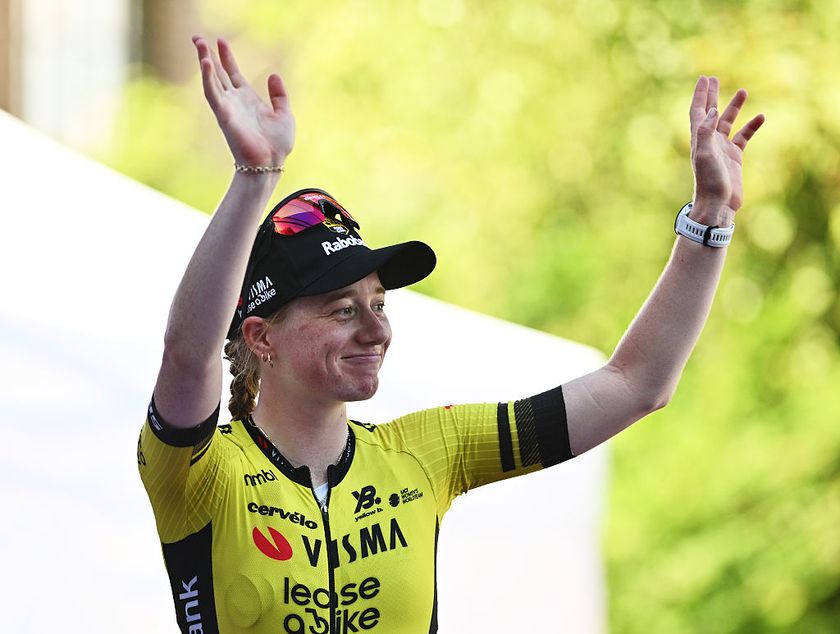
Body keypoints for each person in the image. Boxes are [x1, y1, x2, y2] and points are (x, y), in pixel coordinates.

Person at [138, 36, 764, 634]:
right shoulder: (201, 472)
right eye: (342, 311)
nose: (377, 330)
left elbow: (636, 384)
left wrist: (710, 218)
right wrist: (255, 176)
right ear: (260, 337)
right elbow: (188, 357)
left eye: (378, 304)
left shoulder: (425, 452)